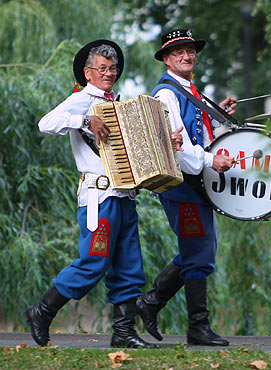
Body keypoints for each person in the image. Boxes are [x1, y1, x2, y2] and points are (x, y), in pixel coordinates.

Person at [24, 39, 182, 348]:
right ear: (88, 72)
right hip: (99, 198)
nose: (109, 73)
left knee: (129, 265)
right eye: (102, 68)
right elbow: (46, 123)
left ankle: (123, 333)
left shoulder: (119, 102)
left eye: (113, 68)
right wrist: (85, 119)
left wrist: (165, 143)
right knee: (94, 262)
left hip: (124, 196)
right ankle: (41, 311)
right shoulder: (83, 99)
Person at [136, 29, 236, 346]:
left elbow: (196, 133)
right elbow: (177, 148)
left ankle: (150, 303)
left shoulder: (189, 90)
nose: (186, 55)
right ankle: (197, 328)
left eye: (190, 50)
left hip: (194, 185)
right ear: (166, 58)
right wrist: (210, 161)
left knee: (199, 250)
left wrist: (216, 115)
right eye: (178, 51)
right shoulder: (167, 93)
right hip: (182, 185)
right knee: (199, 252)